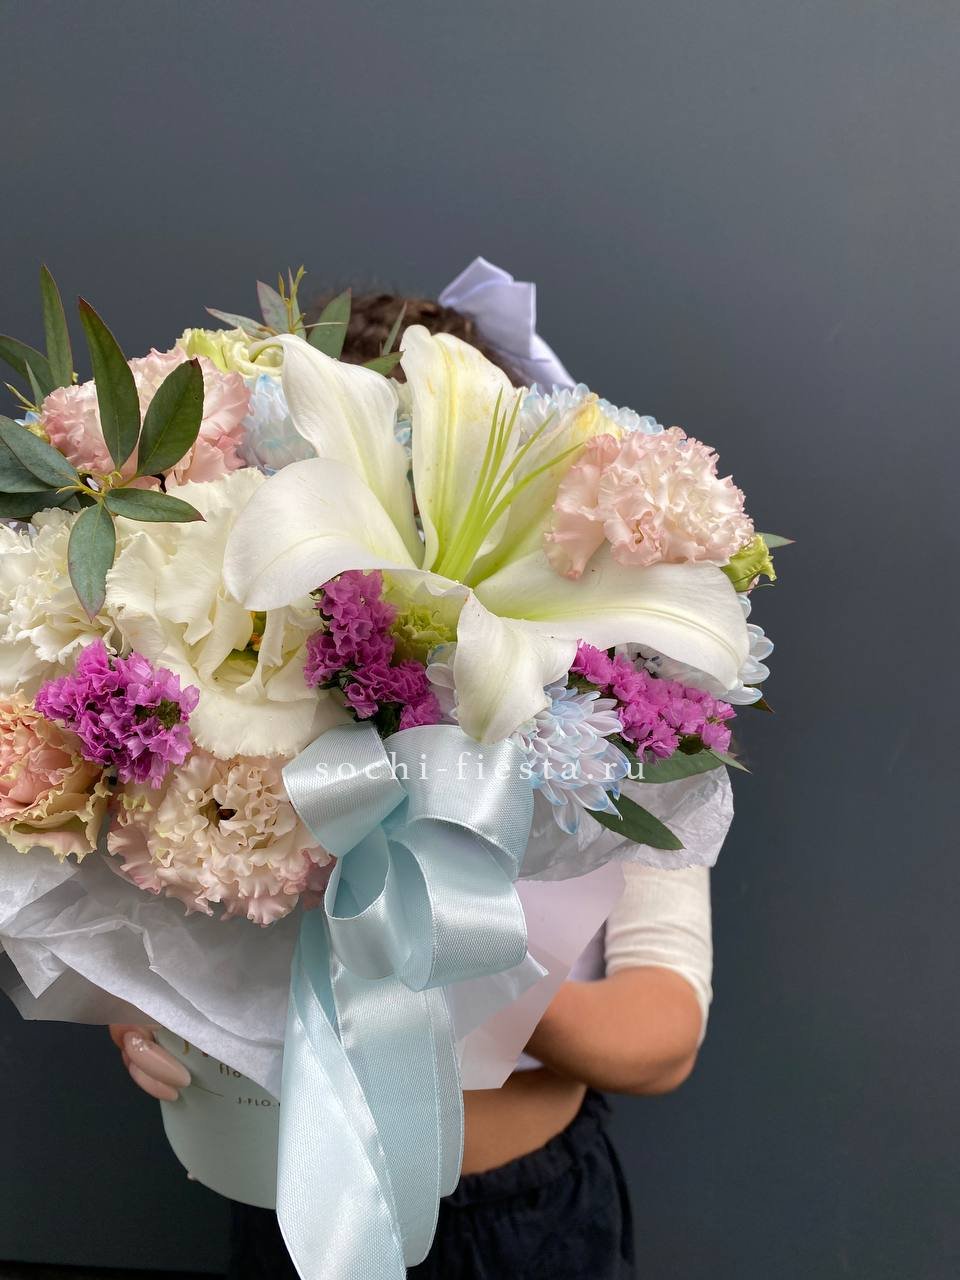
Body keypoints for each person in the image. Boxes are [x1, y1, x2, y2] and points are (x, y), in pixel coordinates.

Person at [110, 287, 714, 1280]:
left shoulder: (606, 715)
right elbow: (143, 911)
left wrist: (464, 961)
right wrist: (143, 1009)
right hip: (294, 1189)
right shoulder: (240, 690)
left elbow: (663, 1038)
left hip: (527, 1217)